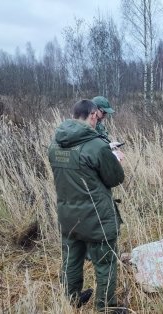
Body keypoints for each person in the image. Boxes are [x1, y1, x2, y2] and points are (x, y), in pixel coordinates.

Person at [48, 99, 125, 312]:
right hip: (96, 218)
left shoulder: (54, 144)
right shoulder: (97, 145)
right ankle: (105, 308)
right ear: (93, 115)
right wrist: (115, 159)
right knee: (105, 263)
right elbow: (115, 178)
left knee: (71, 260)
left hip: (68, 216)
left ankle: (71, 300)